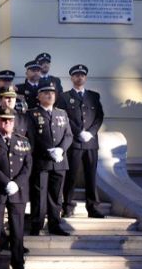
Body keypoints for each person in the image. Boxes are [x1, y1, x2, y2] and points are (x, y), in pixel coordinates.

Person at [0, 108, 33, 269]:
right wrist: (6, 182)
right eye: (3, 120)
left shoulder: (23, 142)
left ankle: (18, 263)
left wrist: (16, 183)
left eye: (9, 120)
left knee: (17, 230)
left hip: (18, 192)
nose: (6, 123)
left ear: (14, 122)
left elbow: (27, 166)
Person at [57, 64, 105, 218]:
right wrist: (78, 133)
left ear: (85, 78)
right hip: (75, 142)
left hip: (91, 142)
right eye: (76, 75)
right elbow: (64, 118)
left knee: (91, 176)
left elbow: (99, 116)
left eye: (82, 75)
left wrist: (91, 133)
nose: (79, 77)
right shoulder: (64, 97)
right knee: (71, 176)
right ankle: (68, 206)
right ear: (71, 78)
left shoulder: (94, 96)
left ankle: (93, 207)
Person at [26, 81, 73, 236]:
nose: (50, 95)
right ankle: (36, 225)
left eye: (52, 93)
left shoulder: (62, 113)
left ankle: (55, 224)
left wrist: (60, 149)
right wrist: (48, 152)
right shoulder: (31, 114)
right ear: (38, 96)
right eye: (46, 92)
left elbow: (68, 135)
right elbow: (32, 138)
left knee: (56, 195)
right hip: (41, 161)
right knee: (38, 195)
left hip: (60, 161)